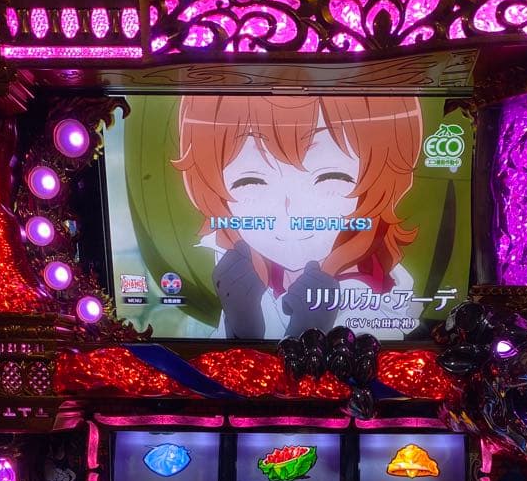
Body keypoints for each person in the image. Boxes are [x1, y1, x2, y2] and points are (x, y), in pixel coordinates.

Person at [173, 95, 424, 341]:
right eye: (249, 181)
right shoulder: (239, 268)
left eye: (330, 177)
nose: (288, 208)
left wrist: (312, 334)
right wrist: (240, 327)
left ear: (377, 180)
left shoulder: (383, 295)